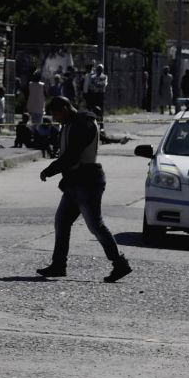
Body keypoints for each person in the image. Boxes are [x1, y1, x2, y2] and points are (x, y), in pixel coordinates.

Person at [35, 96, 132, 282]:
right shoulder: (72, 123)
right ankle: (58, 264)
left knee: (95, 225)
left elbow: (72, 156)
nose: (55, 119)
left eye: (55, 114)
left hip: (87, 181)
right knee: (62, 221)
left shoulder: (82, 124)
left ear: (65, 108)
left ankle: (120, 264)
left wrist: (49, 170)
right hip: (75, 181)